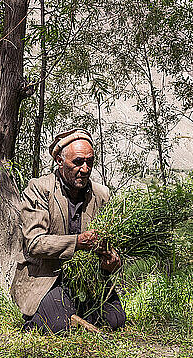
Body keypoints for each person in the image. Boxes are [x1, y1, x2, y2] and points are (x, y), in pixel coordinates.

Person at [10, 128, 126, 334]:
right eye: (78, 162)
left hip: (87, 280)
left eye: (89, 162)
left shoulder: (102, 194)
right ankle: (46, 315)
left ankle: (70, 313)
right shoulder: (38, 189)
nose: (84, 168)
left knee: (115, 319)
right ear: (59, 161)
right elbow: (35, 243)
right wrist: (77, 242)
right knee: (58, 325)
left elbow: (113, 243)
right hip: (46, 278)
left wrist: (113, 260)